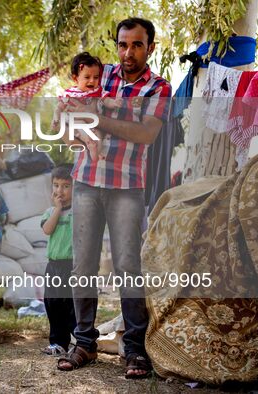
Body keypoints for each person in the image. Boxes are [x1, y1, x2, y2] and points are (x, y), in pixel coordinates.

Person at [57, 17, 172, 379]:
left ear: (150, 48)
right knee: (83, 265)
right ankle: (84, 342)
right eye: (123, 45)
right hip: (86, 181)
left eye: (137, 45)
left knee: (128, 267)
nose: (128, 52)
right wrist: (69, 129)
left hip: (127, 186)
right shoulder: (101, 76)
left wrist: (98, 119)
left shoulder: (158, 88)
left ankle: (134, 349)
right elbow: (70, 110)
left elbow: (145, 134)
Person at [52, 52, 121, 161]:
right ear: (75, 79)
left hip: (93, 123)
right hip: (76, 121)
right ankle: (90, 144)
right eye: (87, 77)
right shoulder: (71, 93)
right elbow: (59, 107)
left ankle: (96, 153)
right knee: (84, 131)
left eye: (96, 77)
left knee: (99, 136)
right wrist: (56, 117)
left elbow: (106, 100)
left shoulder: (98, 91)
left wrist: (114, 103)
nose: (92, 81)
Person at [40, 166, 77, 356]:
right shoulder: (50, 212)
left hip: (72, 265)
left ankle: (79, 341)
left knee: (72, 304)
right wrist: (58, 209)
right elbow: (47, 230)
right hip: (53, 265)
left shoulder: (79, 211)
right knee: (53, 303)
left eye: (65, 186)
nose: (59, 191)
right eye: (56, 185)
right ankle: (58, 342)